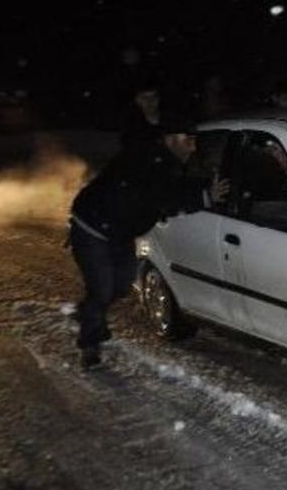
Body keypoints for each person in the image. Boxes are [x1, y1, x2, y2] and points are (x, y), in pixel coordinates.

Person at [69, 115, 229, 369]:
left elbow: (174, 187)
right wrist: (204, 196)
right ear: (170, 139)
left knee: (122, 284)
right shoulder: (148, 160)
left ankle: (90, 311)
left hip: (120, 232)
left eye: (194, 140)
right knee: (102, 288)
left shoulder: (167, 163)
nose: (193, 147)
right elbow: (164, 196)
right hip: (93, 228)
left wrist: (205, 189)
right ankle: (90, 345)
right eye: (188, 140)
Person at [120, 81, 161, 148]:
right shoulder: (132, 126)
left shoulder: (171, 122)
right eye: (145, 98)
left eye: (154, 97)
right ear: (137, 100)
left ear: (159, 99)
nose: (150, 101)